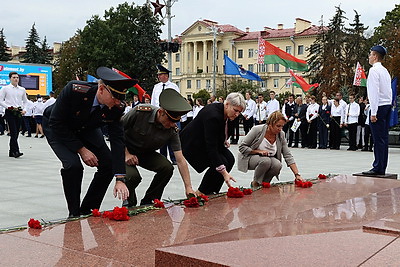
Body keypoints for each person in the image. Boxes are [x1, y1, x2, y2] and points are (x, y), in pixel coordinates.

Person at [42, 67, 137, 217]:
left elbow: (117, 140)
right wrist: (81, 149)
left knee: (107, 163)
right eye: (115, 97)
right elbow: (56, 122)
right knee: (73, 166)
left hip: (87, 128)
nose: (118, 102)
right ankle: (74, 214)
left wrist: (120, 178)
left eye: (121, 98)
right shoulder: (75, 90)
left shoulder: (117, 107)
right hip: (58, 127)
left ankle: (88, 209)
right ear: (101, 89)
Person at [122, 89, 196, 207]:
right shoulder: (140, 112)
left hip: (146, 153)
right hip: (124, 149)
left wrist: (188, 188)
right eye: (171, 120)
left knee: (167, 168)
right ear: (161, 112)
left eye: (175, 122)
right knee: (133, 177)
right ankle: (129, 205)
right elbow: (117, 131)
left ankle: (149, 200)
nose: (173, 124)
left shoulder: (172, 130)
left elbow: (180, 159)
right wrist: (126, 154)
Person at [180, 92, 246, 195]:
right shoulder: (212, 115)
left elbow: (224, 129)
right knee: (220, 162)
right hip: (194, 143)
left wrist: (224, 139)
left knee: (230, 159)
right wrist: (224, 173)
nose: (237, 114)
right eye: (235, 110)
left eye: (240, 112)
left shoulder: (230, 114)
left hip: (210, 141)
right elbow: (211, 147)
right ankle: (201, 192)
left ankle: (213, 191)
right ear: (227, 104)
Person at [238, 111, 305, 187]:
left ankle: (265, 184)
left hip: (268, 159)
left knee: (277, 164)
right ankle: (255, 183)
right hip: (249, 156)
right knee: (266, 161)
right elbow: (242, 147)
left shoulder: (281, 135)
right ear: (270, 124)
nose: (280, 129)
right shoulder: (257, 130)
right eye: (278, 126)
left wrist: (297, 174)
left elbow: (288, 155)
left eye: (282, 126)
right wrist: (258, 151)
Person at [362, 45, 392, 176]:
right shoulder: (385, 71)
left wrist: (373, 113)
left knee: (378, 138)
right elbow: (389, 91)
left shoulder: (374, 71)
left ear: (375, 56)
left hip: (378, 107)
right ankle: (382, 165)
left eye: (370, 54)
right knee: (383, 139)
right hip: (386, 106)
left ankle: (378, 167)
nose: (369, 57)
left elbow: (374, 93)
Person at [151, 64, 180, 164]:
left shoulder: (173, 86)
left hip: (169, 115)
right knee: (161, 137)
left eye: (161, 74)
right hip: (159, 115)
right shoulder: (156, 87)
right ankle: (163, 157)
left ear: (166, 76)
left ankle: (173, 158)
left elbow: (177, 101)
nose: (158, 76)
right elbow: (153, 102)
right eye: (158, 75)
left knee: (171, 136)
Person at [0, 72, 28, 158]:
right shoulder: (5, 88)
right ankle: (16, 151)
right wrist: (8, 107)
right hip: (10, 112)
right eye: (14, 77)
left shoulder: (22, 89)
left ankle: (11, 151)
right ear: (10, 79)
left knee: (16, 132)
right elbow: (0, 100)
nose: (16, 79)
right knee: (13, 131)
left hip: (18, 111)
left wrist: (24, 109)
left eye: (17, 77)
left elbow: (25, 101)